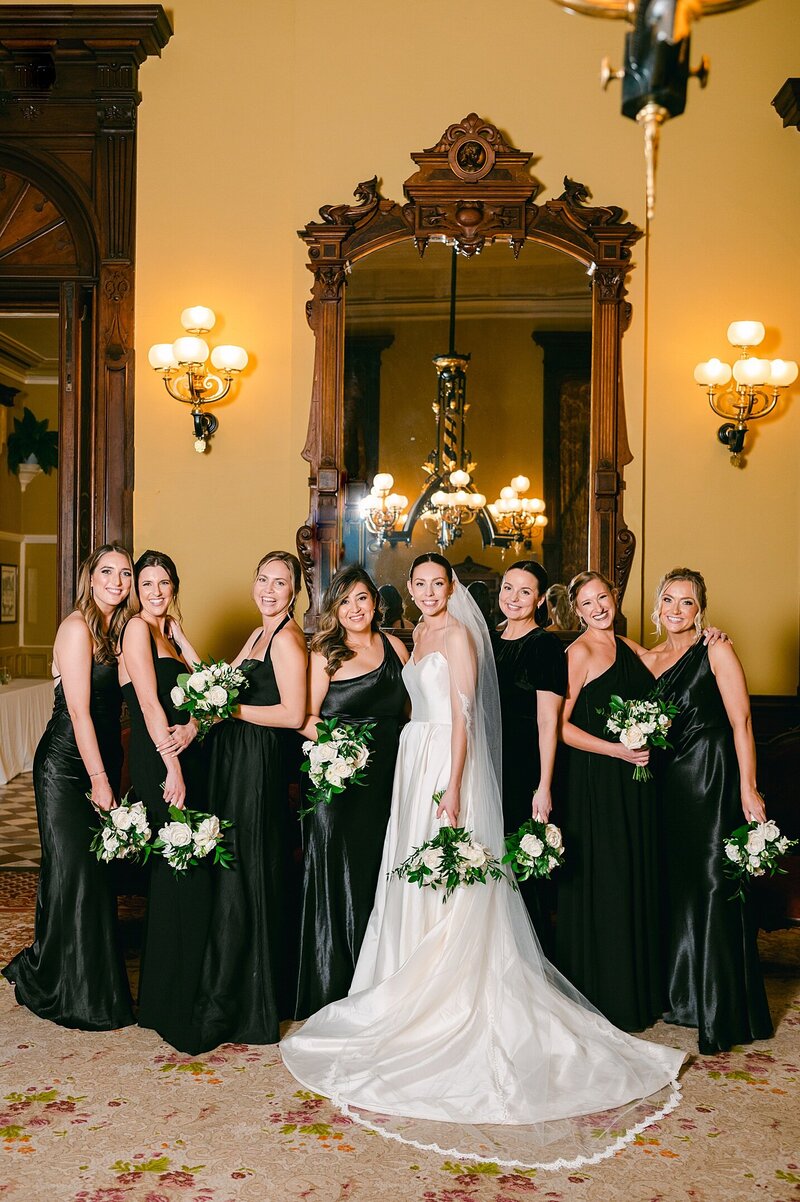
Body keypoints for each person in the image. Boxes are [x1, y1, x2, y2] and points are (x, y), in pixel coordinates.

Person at [281, 553, 684, 1171]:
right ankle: (403, 984)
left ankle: (452, 995)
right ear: (410, 592)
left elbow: (465, 714)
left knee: (456, 883)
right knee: (411, 874)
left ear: (452, 590)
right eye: (419, 584)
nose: (428, 592)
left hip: (448, 762)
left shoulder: (464, 635)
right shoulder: (411, 634)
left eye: (438, 584)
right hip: (413, 761)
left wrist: (453, 784)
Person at [639, 568, 773, 1054]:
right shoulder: (645, 656)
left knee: (715, 883)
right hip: (664, 784)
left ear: (701, 610)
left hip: (712, 776)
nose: (677, 610)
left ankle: (723, 1006)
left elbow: (741, 721)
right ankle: (683, 998)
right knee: (674, 883)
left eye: (687, 602)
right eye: (669, 600)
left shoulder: (716, 649)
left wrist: (749, 788)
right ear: (657, 606)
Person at [3, 543, 136, 1030]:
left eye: (125, 573)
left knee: (92, 875)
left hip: (99, 759)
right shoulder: (77, 626)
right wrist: (101, 780)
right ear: (90, 577)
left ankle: (76, 976)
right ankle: (69, 989)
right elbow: (79, 711)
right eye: (108, 572)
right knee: (75, 872)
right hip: (65, 766)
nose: (117, 581)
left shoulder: (116, 630)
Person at [192, 551, 308, 1049]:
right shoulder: (258, 634)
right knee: (234, 862)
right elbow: (222, 683)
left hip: (259, 764)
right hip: (235, 760)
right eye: (262, 579)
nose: (268, 589)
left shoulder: (287, 640)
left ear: (294, 592)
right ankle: (232, 982)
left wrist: (232, 709)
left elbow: (294, 713)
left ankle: (253, 995)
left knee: (251, 863)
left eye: (280, 583)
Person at [294, 565, 408, 1018]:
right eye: (345, 601)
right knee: (338, 875)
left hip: (390, 779)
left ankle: (378, 983)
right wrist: (341, 750)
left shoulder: (395, 646)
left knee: (380, 874)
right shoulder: (325, 653)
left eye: (362, 598)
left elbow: (415, 709)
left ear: (375, 603)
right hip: (340, 783)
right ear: (334, 609)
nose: (355, 609)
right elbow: (303, 718)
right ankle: (333, 987)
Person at [556, 570, 664, 1031]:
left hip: (634, 781)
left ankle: (635, 987)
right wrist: (616, 749)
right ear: (576, 611)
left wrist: (709, 635)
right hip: (596, 779)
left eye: (602, 597)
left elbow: (672, 656)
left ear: (614, 597)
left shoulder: (629, 645)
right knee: (606, 877)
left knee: (633, 872)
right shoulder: (577, 653)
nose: (598, 607)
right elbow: (559, 727)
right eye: (587, 603)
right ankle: (602, 993)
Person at [119, 549, 211, 1053]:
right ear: (137, 589)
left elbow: (206, 687)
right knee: (181, 871)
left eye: (164, 582)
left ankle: (167, 996)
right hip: (162, 759)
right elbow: (150, 703)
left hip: (185, 752)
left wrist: (181, 638)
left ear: (175, 585)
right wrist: (171, 765)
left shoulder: (167, 631)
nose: (155, 591)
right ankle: (172, 1006)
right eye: (147, 583)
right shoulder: (135, 629)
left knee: (184, 872)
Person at [491, 560, 566, 951]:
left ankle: (530, 963)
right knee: (488, 860)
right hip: (488, 765)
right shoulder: (488, 639)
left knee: (522, 866)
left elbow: (547, 723)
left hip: (524, 770)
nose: (513, 598)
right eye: (508, 588)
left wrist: (544, 786)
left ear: (539, 599)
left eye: (524, 592)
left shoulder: (545, 646)